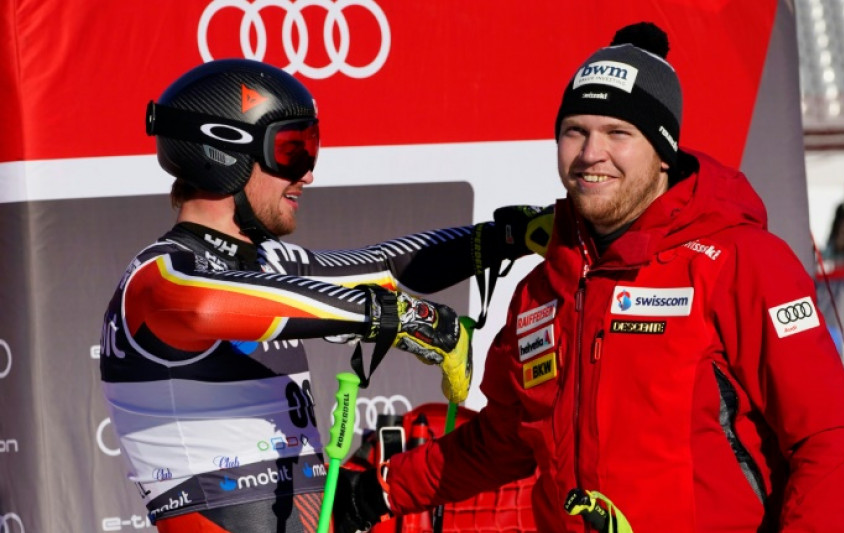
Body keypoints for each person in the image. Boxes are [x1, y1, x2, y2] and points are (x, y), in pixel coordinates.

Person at [333, 22, 844, 533]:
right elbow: (502, 440)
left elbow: (833, 441)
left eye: (618, 133)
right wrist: (383, 490)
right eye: (576, 131)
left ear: (663, 152)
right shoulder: (543, 288)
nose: (592, 155)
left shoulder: (741, 261)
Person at [98, 58, 549, 533]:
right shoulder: (156, 274)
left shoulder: (273, 264)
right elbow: (203, 305)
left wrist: (508, 237)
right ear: (223, 153)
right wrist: (392, 317)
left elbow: (387, 267)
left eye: (310, 150)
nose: (307, 175)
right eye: (291, 151)